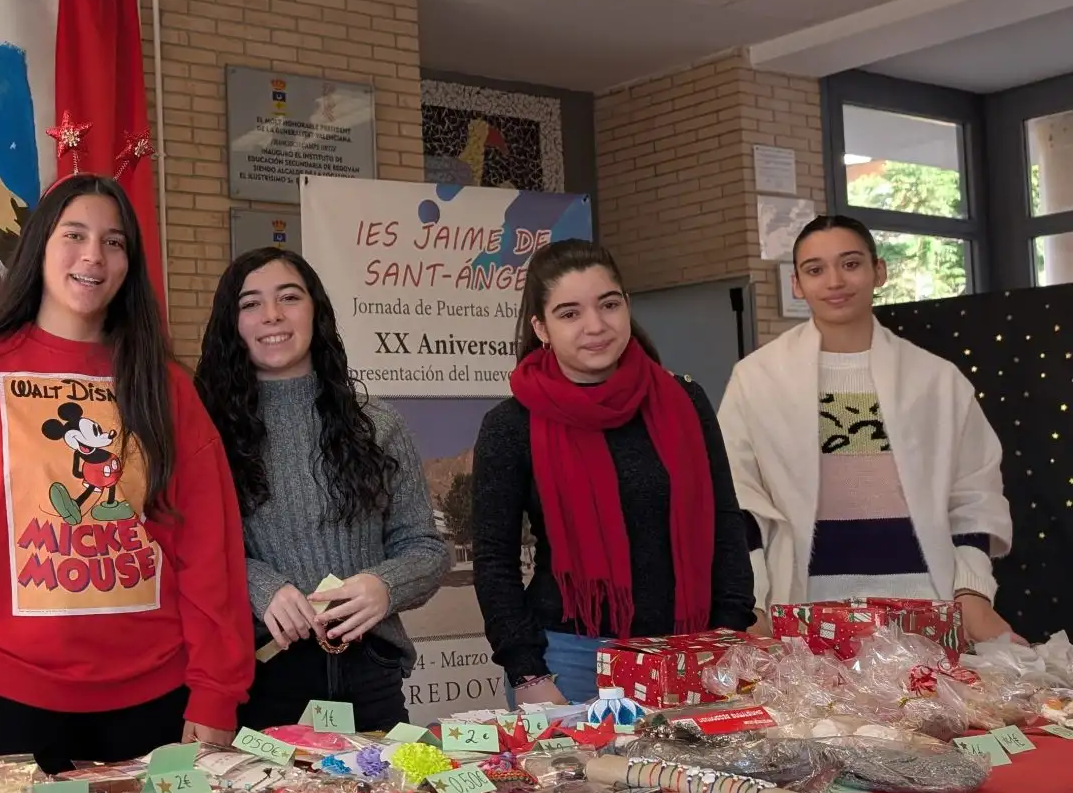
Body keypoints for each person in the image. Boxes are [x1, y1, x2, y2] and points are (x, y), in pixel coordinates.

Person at [0, 174, 255, 773]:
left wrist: (217, 688)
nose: (93, 256)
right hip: (5, 696)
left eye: (114, 242)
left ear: (129, 264)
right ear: (40, 245)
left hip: (158, 698)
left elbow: (207, 547)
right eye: (75, 235)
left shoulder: (166, 387)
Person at [471, 240, 754, 705]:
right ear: (541, 327)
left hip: (692, 649)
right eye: (569, 313)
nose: (595, 325)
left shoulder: (685, 401)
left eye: (608, 304)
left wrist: (729, 635)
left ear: (627, 305)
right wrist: (527, 673)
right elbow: (494, 561)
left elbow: (725, 522)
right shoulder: (511, 424)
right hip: (571, 661)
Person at [719, 215, 1016, 643]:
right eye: (815, 269)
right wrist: (752, 604)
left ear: (879, 271)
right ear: (797, 284)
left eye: (851, 264)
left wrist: (972, 594)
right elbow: (739, 500)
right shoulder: (758, 379)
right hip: (804, 613)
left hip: (924, 608)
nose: (835, 281)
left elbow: (974, 495)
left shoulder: (936, 380)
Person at [194, 247, 449, 731]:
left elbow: (426, 550)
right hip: (263, 673)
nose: (272, 314)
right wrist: (259, 586)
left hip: (371, 671)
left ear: (316, 310)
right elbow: (191, 550)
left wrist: (385, 586)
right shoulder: (207, 431)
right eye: (251, 303)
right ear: (232, 323)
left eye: (289, 297)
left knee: (388, 783)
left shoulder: (377, 424)